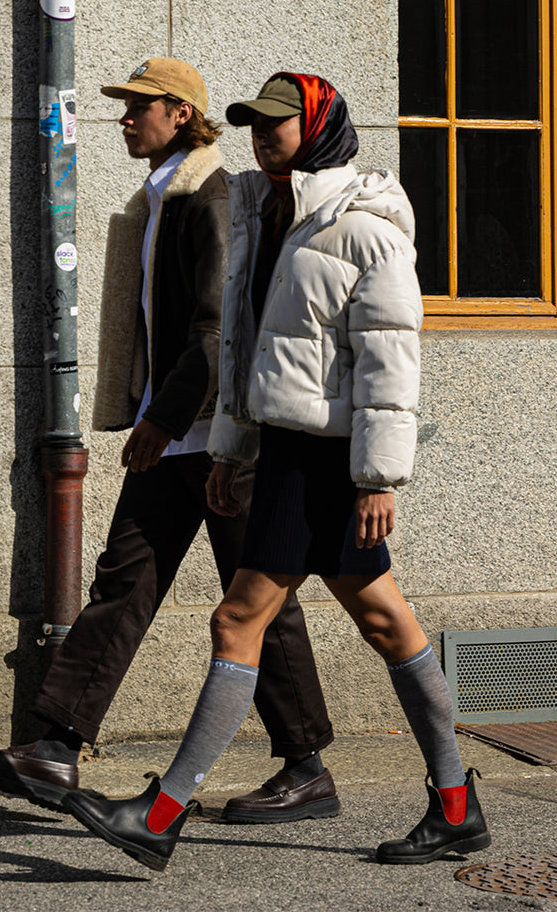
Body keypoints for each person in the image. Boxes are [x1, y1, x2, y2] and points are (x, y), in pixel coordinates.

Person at [64, 72, 491, 872]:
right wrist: (231, 449)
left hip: (330, 460)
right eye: (254, 125)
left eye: (278, 124)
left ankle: (159, 814)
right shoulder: (266, 217)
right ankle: (456, 807)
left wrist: (375, 479)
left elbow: (390, 364)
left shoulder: (365, 227)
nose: (263, 136)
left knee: (239, 620)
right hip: (283, 451)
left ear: (319, 127)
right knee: (384, 622)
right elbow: (242, 347)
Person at [0, 58, 337, 822]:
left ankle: (305, 765)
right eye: (125, 107)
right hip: (180, 433)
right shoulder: (162, 196)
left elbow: (212, 326)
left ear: (181, 114)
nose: (126, 118)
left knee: (256, 602)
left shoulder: (210, 197)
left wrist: (164, 417)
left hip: (221, 434)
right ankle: (55, 748)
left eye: (140, 107)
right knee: (124, 579)